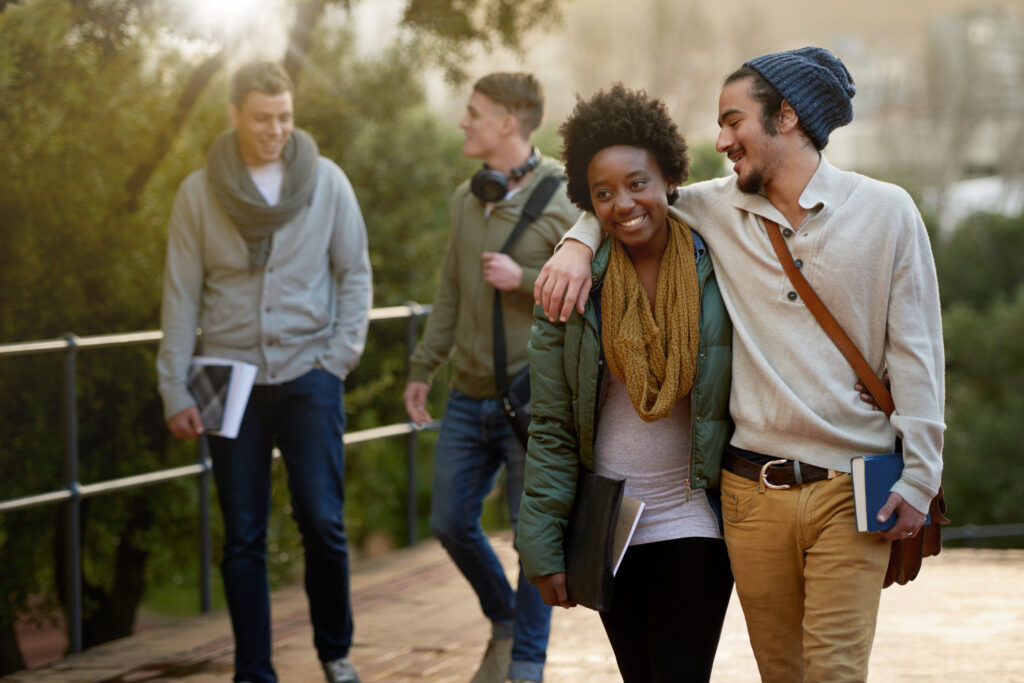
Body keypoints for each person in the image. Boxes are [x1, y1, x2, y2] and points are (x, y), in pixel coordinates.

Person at [535, 47, 945, 682]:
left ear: (786, 117)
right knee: (781, 672)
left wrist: (920, 476)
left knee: (833, 670)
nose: (722, 140)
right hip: (749, 496)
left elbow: (918, 354)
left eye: (734, 121)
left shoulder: (888, 211)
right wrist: (575, 240)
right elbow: (630, 194)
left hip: (854, 485)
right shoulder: (713, 207)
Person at [156, 60, 371, 683]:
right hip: (223, 376)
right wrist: (174, 386)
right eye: (261, 118)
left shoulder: (327, 182)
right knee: (242, 533)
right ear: (233, 115)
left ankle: (336, 653)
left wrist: (337, 360)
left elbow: (354, 273)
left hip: (311, 371)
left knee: (322, 520)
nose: (275, 129)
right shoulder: (198, 193)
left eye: (285, 117)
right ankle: (254, 671)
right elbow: (180, 298)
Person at [517, 84, 734, 682]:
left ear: (668, 176)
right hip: (610, 524)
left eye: (637, 183)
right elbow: (554, 427)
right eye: (603, 194)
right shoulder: (569, 286)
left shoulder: (719, 262)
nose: (623, 203)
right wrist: (542, 548)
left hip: (695, 518)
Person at [402, 72, 578, 683]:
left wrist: (523, 280)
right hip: (466, 394)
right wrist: (424, 365)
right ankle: (504, 620)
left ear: (509, 122)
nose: (463, 122)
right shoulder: (464, 198)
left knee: (534, 541)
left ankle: (525, 663)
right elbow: (450, 289)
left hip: (533, 400)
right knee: (449, 522)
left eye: (474, 112)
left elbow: (597, 291)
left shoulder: (566, 197)